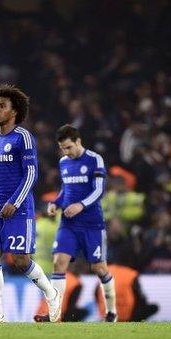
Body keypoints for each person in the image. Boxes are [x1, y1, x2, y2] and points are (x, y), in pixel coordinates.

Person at [0, 84, 60, 323]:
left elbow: (31, 174)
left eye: (2, 106)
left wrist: (14, 201)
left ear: (14, 111)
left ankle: (52, 294)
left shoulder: (23, 137)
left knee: (21, 260)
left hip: (18, 208)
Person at [34, 124, 117, 323]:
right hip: (68, 225)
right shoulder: (64, 162)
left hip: (92, 225)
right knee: (58, 264)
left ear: (78, 141)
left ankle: (111, 311)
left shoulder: (94, 159)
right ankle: (55, 314)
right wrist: (55, 202)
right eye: (63, 148)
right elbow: (66, 190)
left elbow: (99, 190)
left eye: (69, 147)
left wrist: (81, 205)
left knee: (99, 269)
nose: (66, 152)